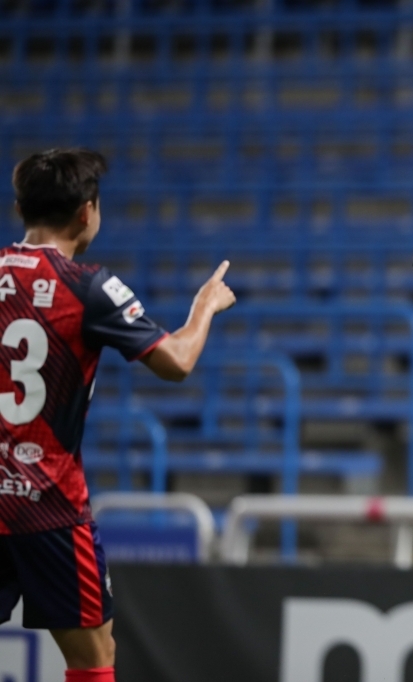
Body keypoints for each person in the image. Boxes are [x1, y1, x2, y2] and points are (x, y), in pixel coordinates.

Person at [0, 149, 236, 682]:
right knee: (93, 656)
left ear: (20, 206)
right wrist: (205, 307)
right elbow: (176, 363)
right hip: (49, 504)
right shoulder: (88, 286)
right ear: (88, 212)